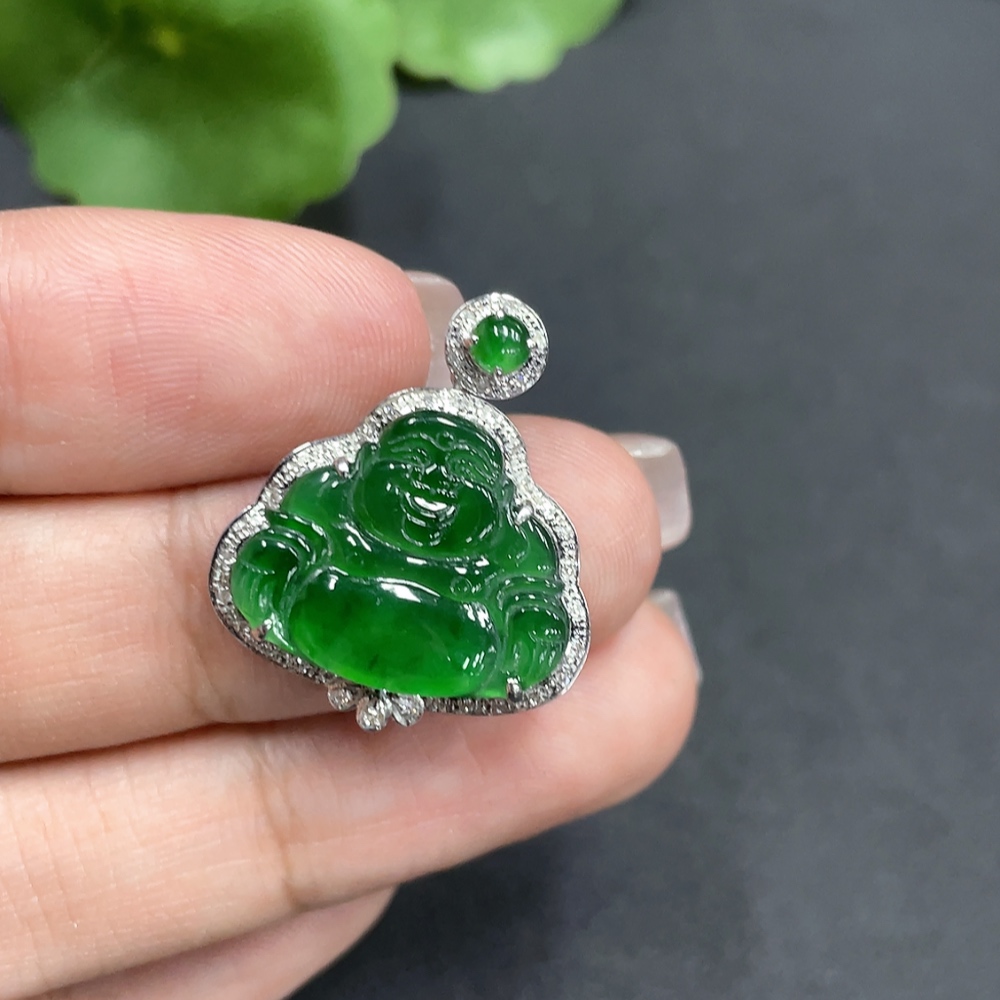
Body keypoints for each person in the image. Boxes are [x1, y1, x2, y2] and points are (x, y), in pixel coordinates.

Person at [0, 208, 698, 1000]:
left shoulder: (517, 542)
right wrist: (271, 578)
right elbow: (274, 543)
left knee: (470, 628)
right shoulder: (329, 493)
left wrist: (526, 637)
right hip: (337, 602)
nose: (433, 482)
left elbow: (540, 613)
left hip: (451, 634)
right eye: (416, 458)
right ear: (364, 466)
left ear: (503, 500)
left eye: (463, 475)